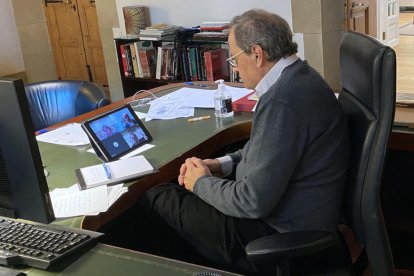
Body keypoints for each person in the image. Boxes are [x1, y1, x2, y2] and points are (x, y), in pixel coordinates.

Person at [102, 9, 350, 274]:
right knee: (179, 191)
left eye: (234, 59)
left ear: (257, 54)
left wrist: (200, 183)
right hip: (294, 213)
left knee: (156, 198)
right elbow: (261, 151)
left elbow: (251, 202)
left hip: (279, 232)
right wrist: (221, 164)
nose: (235, 68)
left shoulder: (283, 101)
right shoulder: (300, 78)